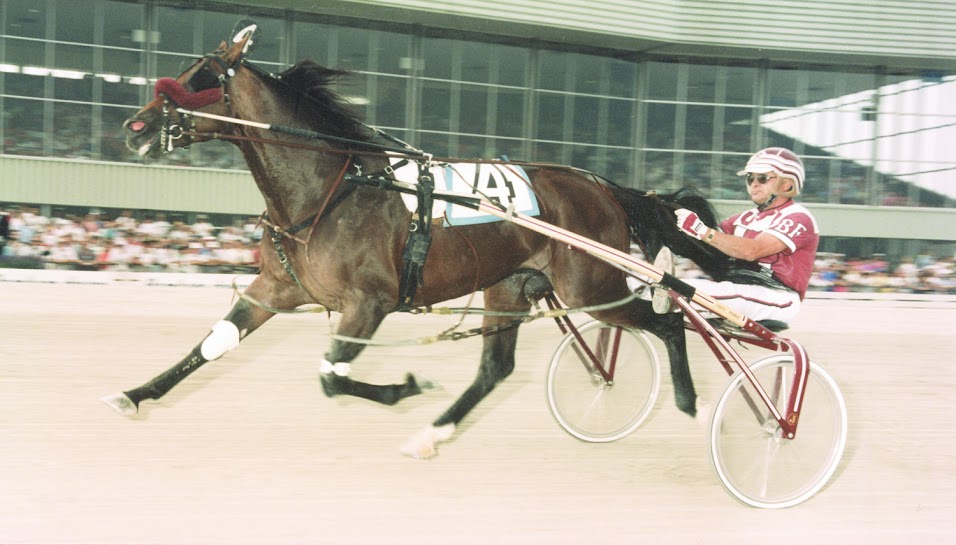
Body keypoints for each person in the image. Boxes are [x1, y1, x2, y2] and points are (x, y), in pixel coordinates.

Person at [656, 147, 819, 323]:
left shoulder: (798, 217)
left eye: (762, 178)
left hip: (779, 297)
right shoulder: (745, 218)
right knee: (660, 286)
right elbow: (714, 243)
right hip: (742, 288)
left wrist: (701, 230)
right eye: (750, 178)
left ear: (786, 185)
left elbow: (752, 251)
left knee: (683, 290)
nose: (754, 184)